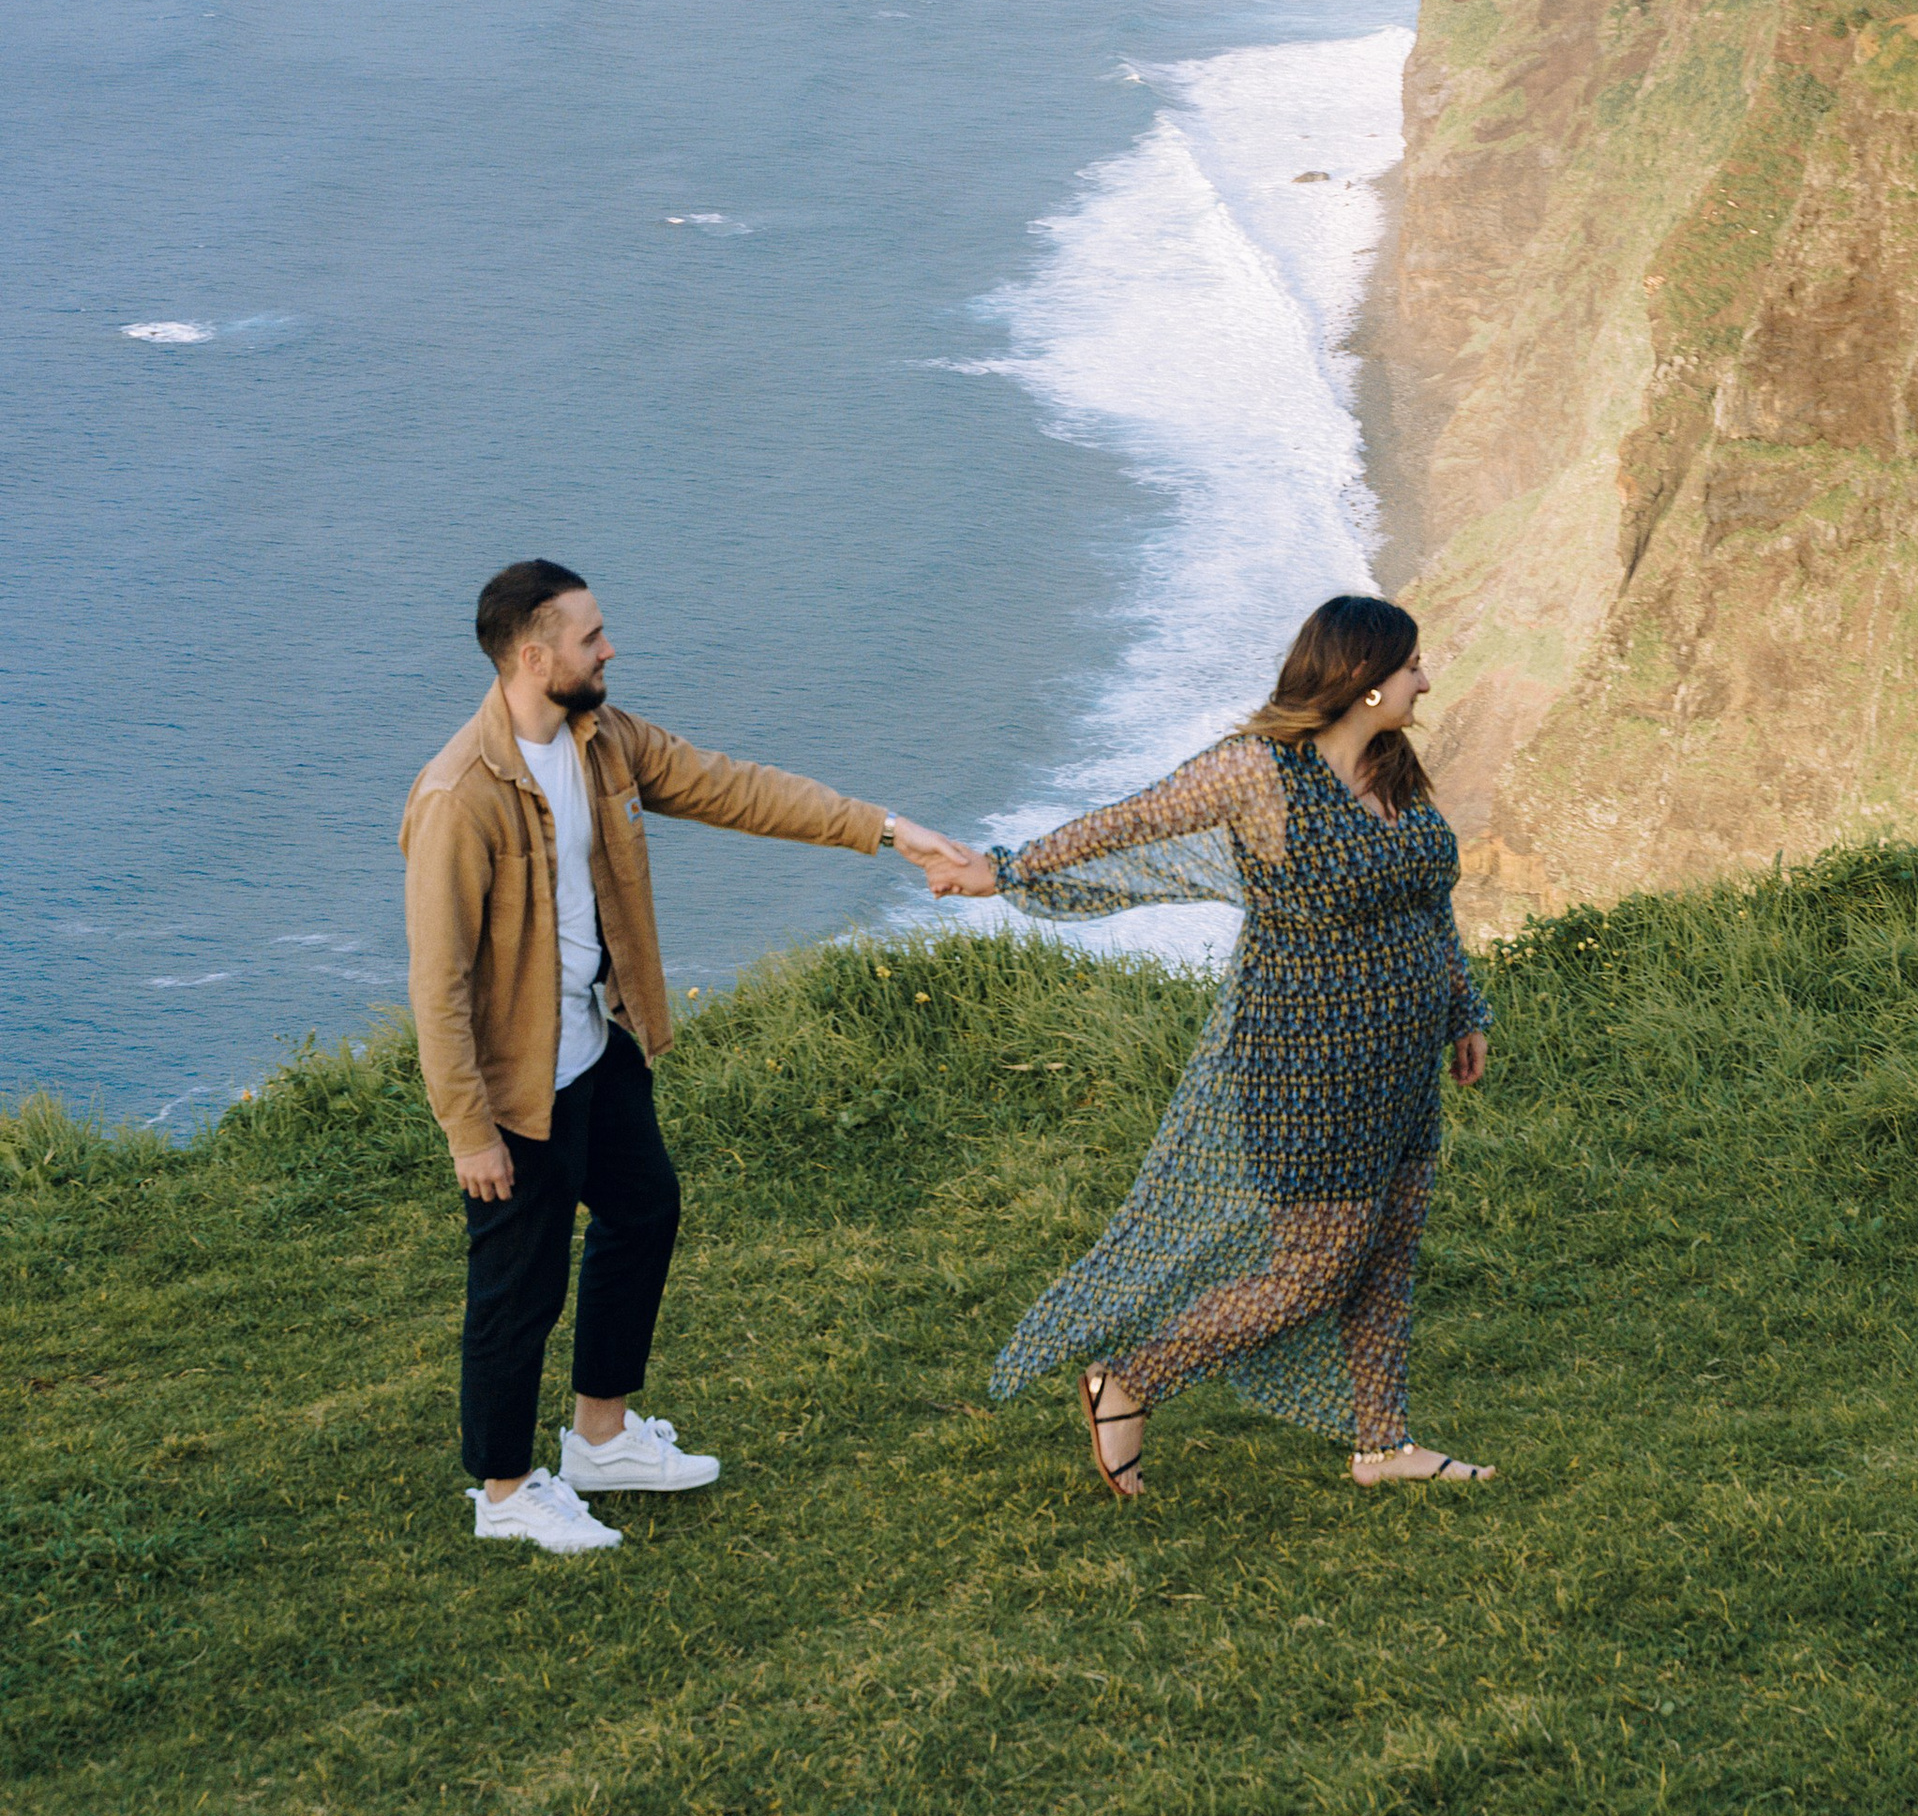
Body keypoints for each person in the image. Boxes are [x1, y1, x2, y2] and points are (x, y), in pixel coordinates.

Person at [402, 559, 967, 1555]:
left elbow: (732, 788)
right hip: (515, 1087)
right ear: (535, 658)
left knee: (643, 1208)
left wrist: (888, 831)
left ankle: (602, 1438)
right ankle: (501, 1492)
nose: (608, 648)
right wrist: (468, 1129)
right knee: (517, 1291)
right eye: (589, 637)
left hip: (595, 1049)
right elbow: (436, 982)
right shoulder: (461, 795)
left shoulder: (600, 739)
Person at [919, 593, 1494, 1496]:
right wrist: (1005, 868)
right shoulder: (1257, 772)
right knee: (1318, 1265)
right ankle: (1132, 1380)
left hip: (1404, 1060)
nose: (1425, 679)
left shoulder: (1394, 767)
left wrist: (1465, 1011)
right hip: (1306, 1067)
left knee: (1388, 1245)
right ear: (1364, 681)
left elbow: (1428, 899)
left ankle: (1384, 1445)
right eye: (1411, 664)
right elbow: (1128, 821)